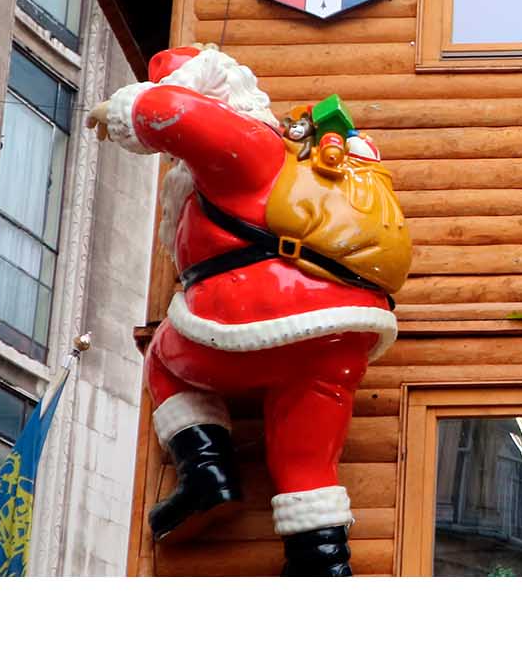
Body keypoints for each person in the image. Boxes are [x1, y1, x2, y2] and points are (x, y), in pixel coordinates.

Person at [88, 45, 407, 576]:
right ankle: (320, 562)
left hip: (268, 313)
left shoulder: (253, 146)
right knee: (307, 461)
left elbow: (178, 115)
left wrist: (124, 110)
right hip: (343, 333)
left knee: (165, 357)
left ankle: (206, 474)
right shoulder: (293, 162)